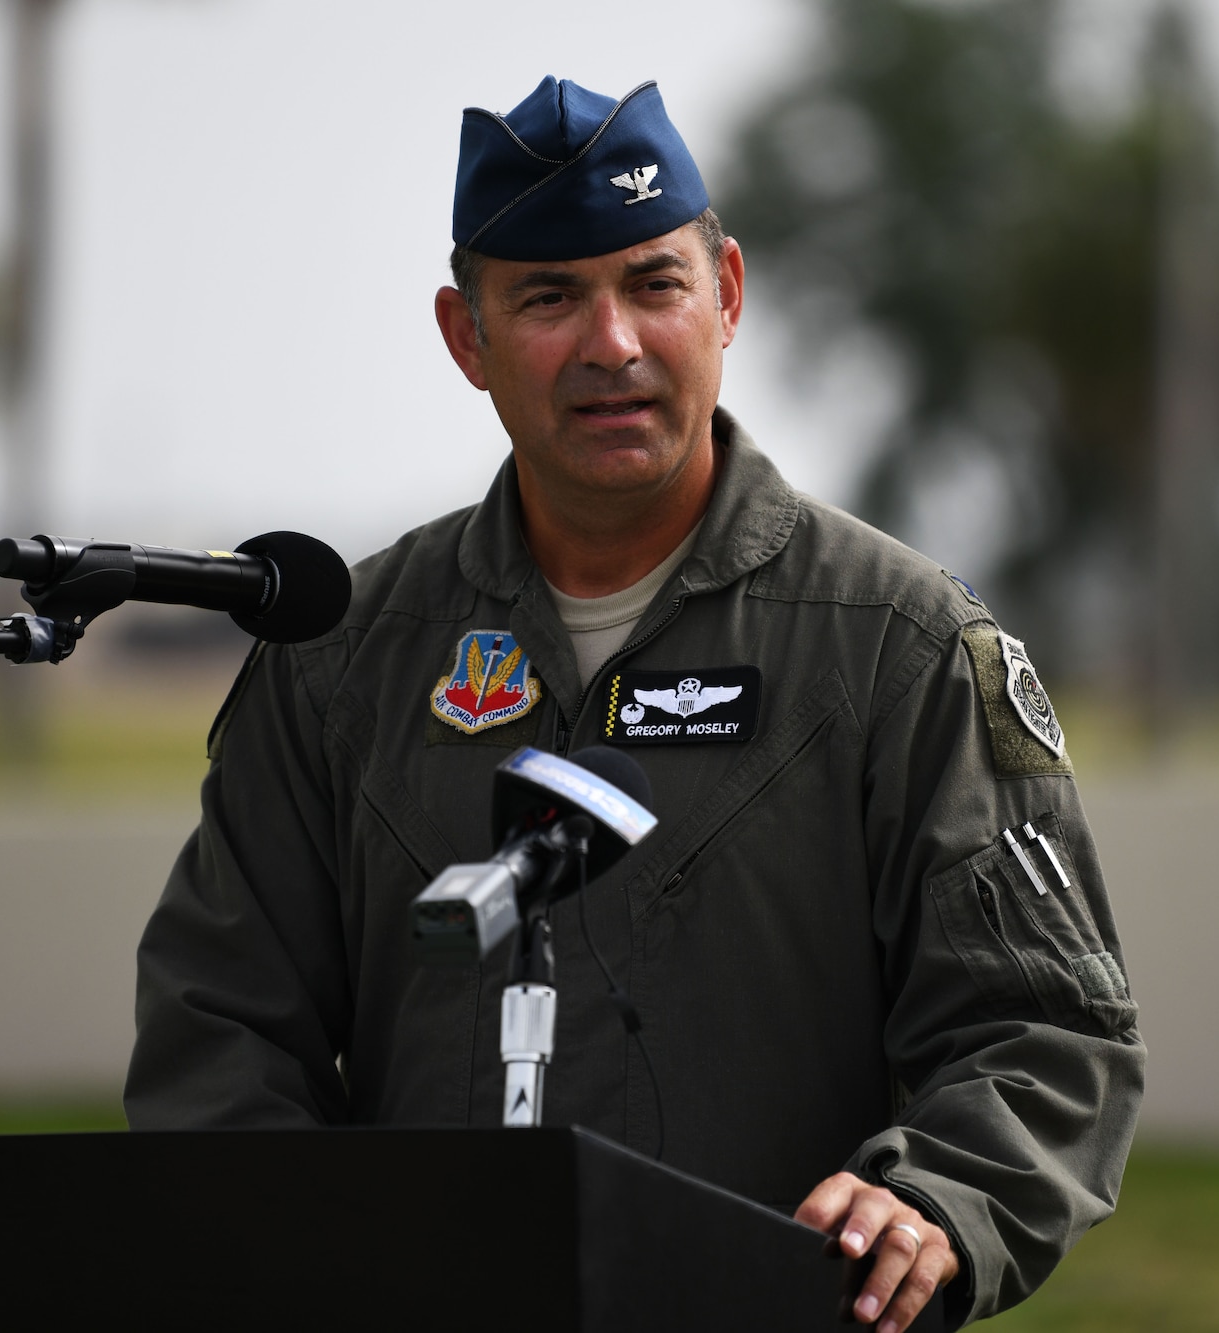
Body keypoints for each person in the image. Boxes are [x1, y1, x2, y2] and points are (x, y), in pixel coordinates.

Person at [125, 76, 1144, 1331]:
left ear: (724, 294)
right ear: (466, 337)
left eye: (651, 284)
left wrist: (935, 1202)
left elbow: (1039, 1028)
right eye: (548, 297)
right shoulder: (342, 658)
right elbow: (220, 1024)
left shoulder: (898, 644)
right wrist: (313, 1261)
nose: (611, 341)